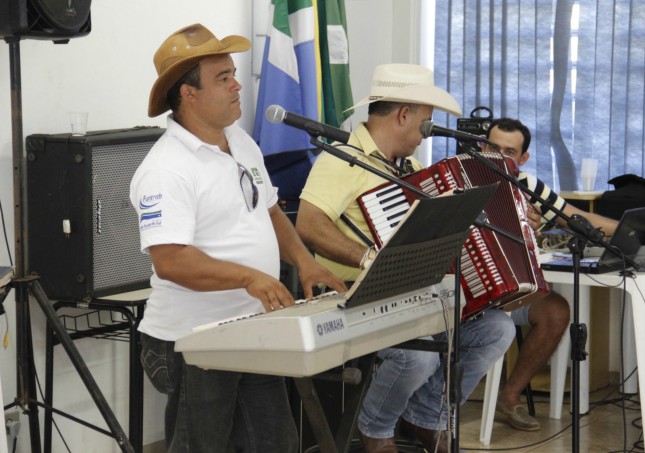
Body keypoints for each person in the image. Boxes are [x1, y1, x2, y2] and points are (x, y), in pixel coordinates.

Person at [130, 24, 346, 453]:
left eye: (233, 74)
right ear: (187, 94)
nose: (236, 85)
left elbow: (268, 212)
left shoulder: (241, 141)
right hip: (193, 340)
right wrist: (250, 277)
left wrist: (305, 262)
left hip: (252, 328)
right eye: (222, 78)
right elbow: (170, 261)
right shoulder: (166, 168)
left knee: (277, 444)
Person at [296, 63, 516, 453]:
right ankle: (376, 429)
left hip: (413, 298)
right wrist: (369, 258)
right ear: (403, 115)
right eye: (426, 122)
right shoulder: (343, 158)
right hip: (354, 299)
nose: (425, 132)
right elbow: (309, 226)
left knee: (497, 329)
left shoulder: (410, 169)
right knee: (418, 356)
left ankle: (426, 415)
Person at [482, 117, 617, 431]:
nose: (499, 157)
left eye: (509, 151)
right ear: (482, 146)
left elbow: (576, 217)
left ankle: (509, 397)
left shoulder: (528, 185)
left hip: (508, 291)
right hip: (469, 291)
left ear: (523, 158)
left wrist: (636, 231)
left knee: (556, 311)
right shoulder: (462, 178)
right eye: (492, 147)